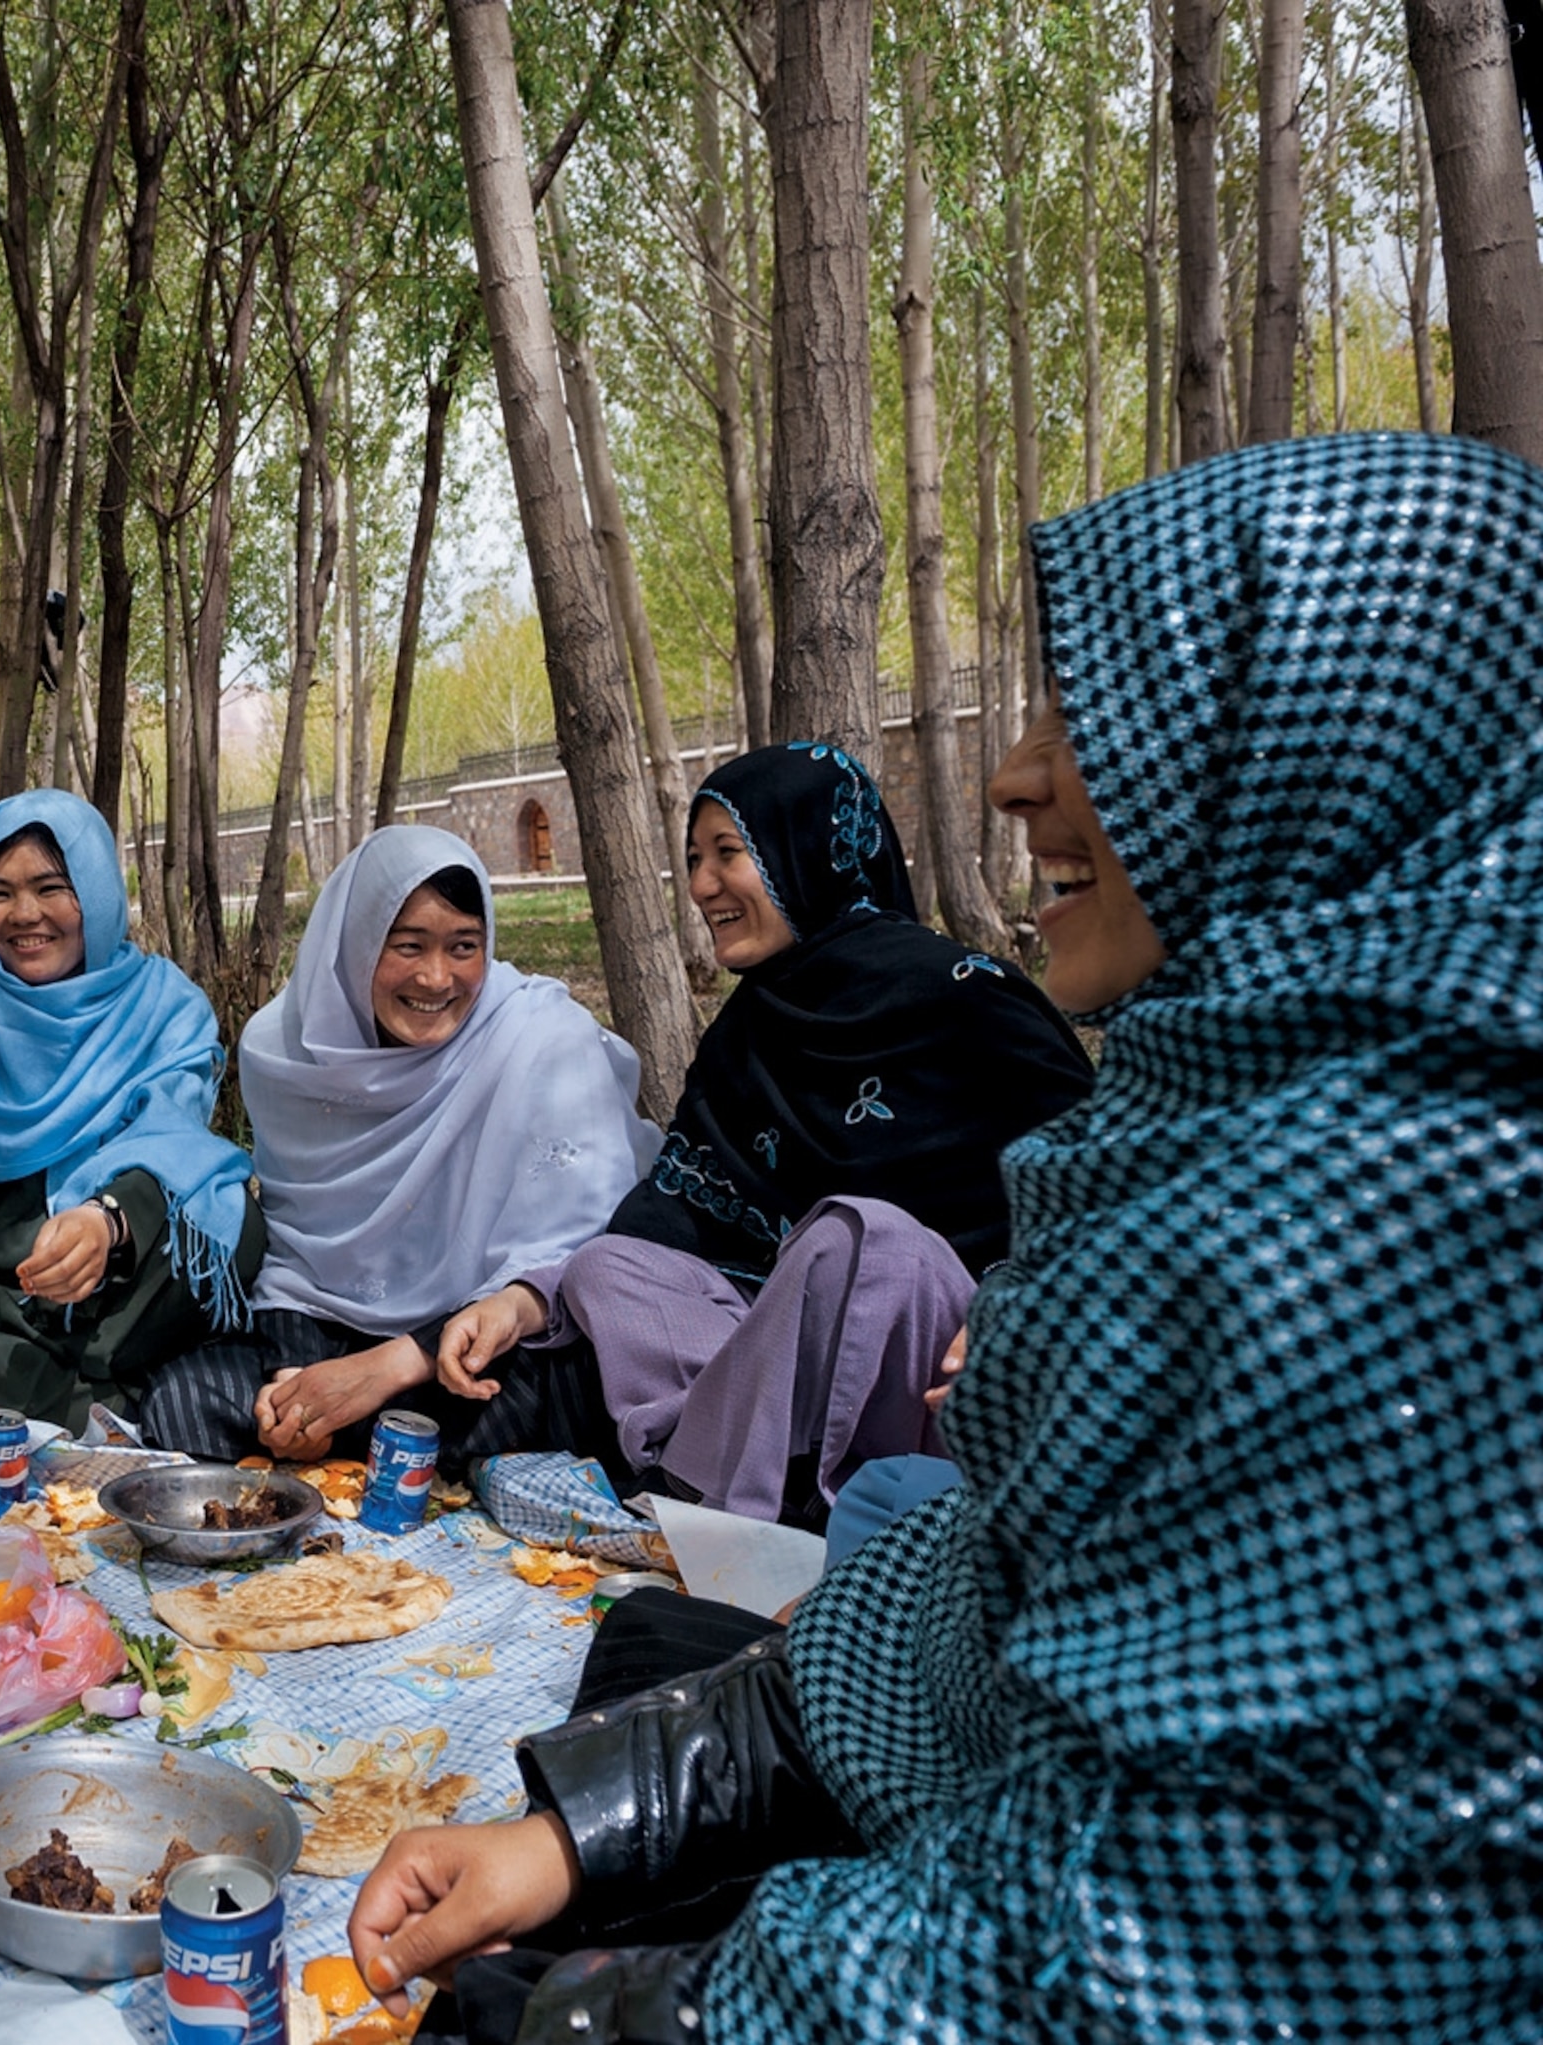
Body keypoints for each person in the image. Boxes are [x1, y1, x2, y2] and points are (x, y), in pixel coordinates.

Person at [347, 433, 1543, 2043]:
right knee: (647, 1641)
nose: (1013, 778)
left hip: (1092, 1914)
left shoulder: (1409, 1233)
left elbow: (1170, 1938)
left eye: (1098, 721)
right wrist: (576, 1832)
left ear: (1328, 752)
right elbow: (981, 1593)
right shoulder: (1224, 1127)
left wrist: (615, 2011)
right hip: (811, 1473)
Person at [512, 742, 1094, 1526]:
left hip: (953, 1372)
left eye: (728, 853)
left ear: (812, 853)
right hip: (782, 1363)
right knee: (607, 1267)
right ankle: (741, 1485)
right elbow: (674, 1219)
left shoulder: (963, 995)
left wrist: (1018, 1309)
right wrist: (533, 1293)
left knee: (860, 1239)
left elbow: (1104, 1190)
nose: (701, 884)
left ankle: (731, 1511)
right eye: (694, 858)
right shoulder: (752, 1028)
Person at [143, 826, 657, 1471]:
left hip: (483, 1345)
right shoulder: (290, 1056)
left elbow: (572, 1258)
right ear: (355, 944)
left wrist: (386, 1369)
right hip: (329, 1334)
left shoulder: (543, 1039)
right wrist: (297, 1392)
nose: (436, 978)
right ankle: (367, 1446)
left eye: (463, 947)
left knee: (561, 1393)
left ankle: (378, 1442)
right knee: (182, 1399)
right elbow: (297, 1249)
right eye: (408, 945)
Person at [0, 791, 264, 1435]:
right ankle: (120, 1404)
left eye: (51, 888)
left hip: (114, 1298)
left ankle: (41, 1407)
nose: (24, 914)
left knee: (230, 1223)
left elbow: (172, 1143)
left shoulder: (162, 1005)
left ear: (98, 892)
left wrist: (106, 1222)